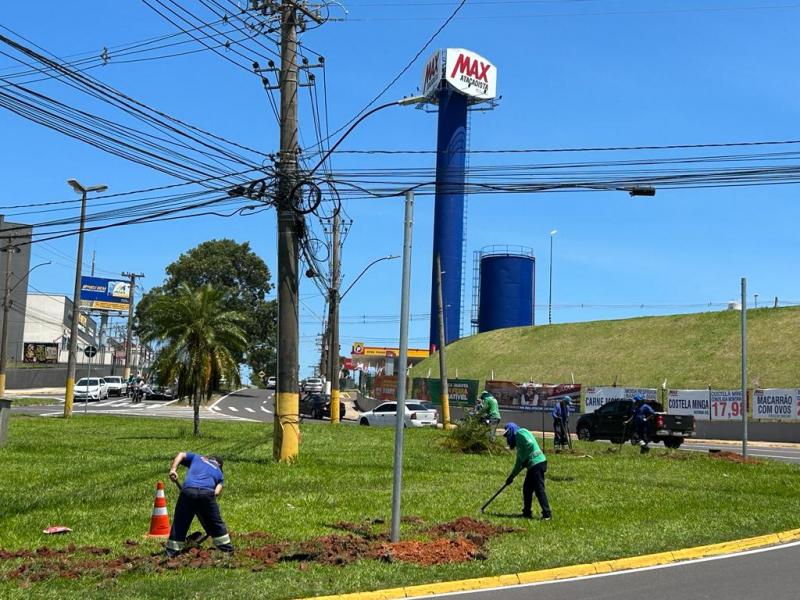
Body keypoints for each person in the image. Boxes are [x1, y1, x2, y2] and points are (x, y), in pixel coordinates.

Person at [166, 451, 233, 557]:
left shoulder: (198, 458)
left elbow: (181, 454)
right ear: (219, 465)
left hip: (188, 491)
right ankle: (227, 550)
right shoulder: (220, 473)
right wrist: (203, 505)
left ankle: (171, 553)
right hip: (207, 494)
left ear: (207, 458)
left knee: (180, 522)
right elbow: (216, 492)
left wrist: (173, 469)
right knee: (216, 523)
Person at [503, 423, 551, 520]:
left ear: (512, 430)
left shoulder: (520, 432)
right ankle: (527, 512)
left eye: (508, 434)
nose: (508, 438)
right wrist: (511, 477)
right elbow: (518, 464)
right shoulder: (519, 447)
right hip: (532, 465)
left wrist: (527, 458)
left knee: (539, 489)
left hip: (537, 463)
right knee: (527, 489)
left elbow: (529, 443)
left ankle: (547, 514)